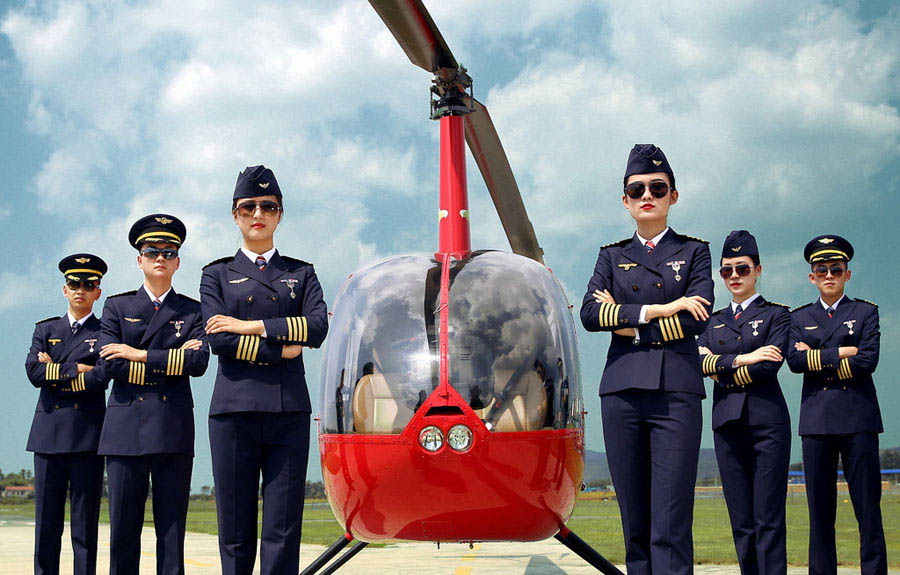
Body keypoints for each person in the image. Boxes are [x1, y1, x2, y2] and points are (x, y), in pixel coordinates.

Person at [580, 144, 714, 575]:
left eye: (657, 187)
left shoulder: (695, 252)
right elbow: (590, 315)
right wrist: (660, 309)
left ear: (673, 195)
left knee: (671, 517)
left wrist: (628, 324)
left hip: (676, 390)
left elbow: (696, 319)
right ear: (626, 200)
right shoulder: (611, 256)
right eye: (637, 190)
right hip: (621, 392)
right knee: (635, 520)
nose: (647, 196)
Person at [200, 165, 328, 575]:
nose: (258, 214)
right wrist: (282, 346)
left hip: (287, 410)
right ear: (235, 215)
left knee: (283, 527)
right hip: (234, 410)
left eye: (268, 207)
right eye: (249, 207)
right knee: (235, 529)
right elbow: (218, 340)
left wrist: (249, 325)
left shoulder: (301, 273)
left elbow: (318, 328)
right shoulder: (216, 274)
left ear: (280, 214)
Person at [97, 214, 209, 575]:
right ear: (139, 259)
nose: (160, 257)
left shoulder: (193, 310)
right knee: (123, 531)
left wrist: (138, 353)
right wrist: (172, 360)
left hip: (172, 428)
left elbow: (198, 363)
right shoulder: (116, 306)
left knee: (172, 531)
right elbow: (109, 365)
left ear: (177, 262)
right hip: (125, 429)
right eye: (152, 252)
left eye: (168, 252)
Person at [786, 235, 886, 575]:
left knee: (868, 511)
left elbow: (868, 361)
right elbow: (795, 363)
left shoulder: (865, 312)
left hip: (859, 419)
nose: (829, 275)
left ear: (847, 274)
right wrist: (844, 351)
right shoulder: (798, 317)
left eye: (836, 269)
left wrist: (815, 356)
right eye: (822, 270)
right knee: (820, 514)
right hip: (817, 422)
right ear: (812, 277)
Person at [697, 230, 791, 574]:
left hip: (767, 424)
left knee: (768, 518)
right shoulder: (712, 321)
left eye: (742, 268)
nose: (734, 276)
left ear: (758, 270)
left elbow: (768, 368)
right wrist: (745, 358)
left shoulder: (778, 315)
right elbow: (698, 365)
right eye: (727, 270)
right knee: (741, 520)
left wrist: (720, 368)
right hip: (727, 425)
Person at [25, 254, 108, 575]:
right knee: (46, 525)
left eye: (88, 285)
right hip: (48, 437)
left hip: (87, 437)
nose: (80, 290)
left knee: (85, 528)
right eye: (74, 284)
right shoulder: (45, 329)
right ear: (64, 289)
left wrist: (56, 370)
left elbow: (101, 377)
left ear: (98, 292)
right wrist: (78, 368)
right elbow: (34, 373)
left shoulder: (106, 331)